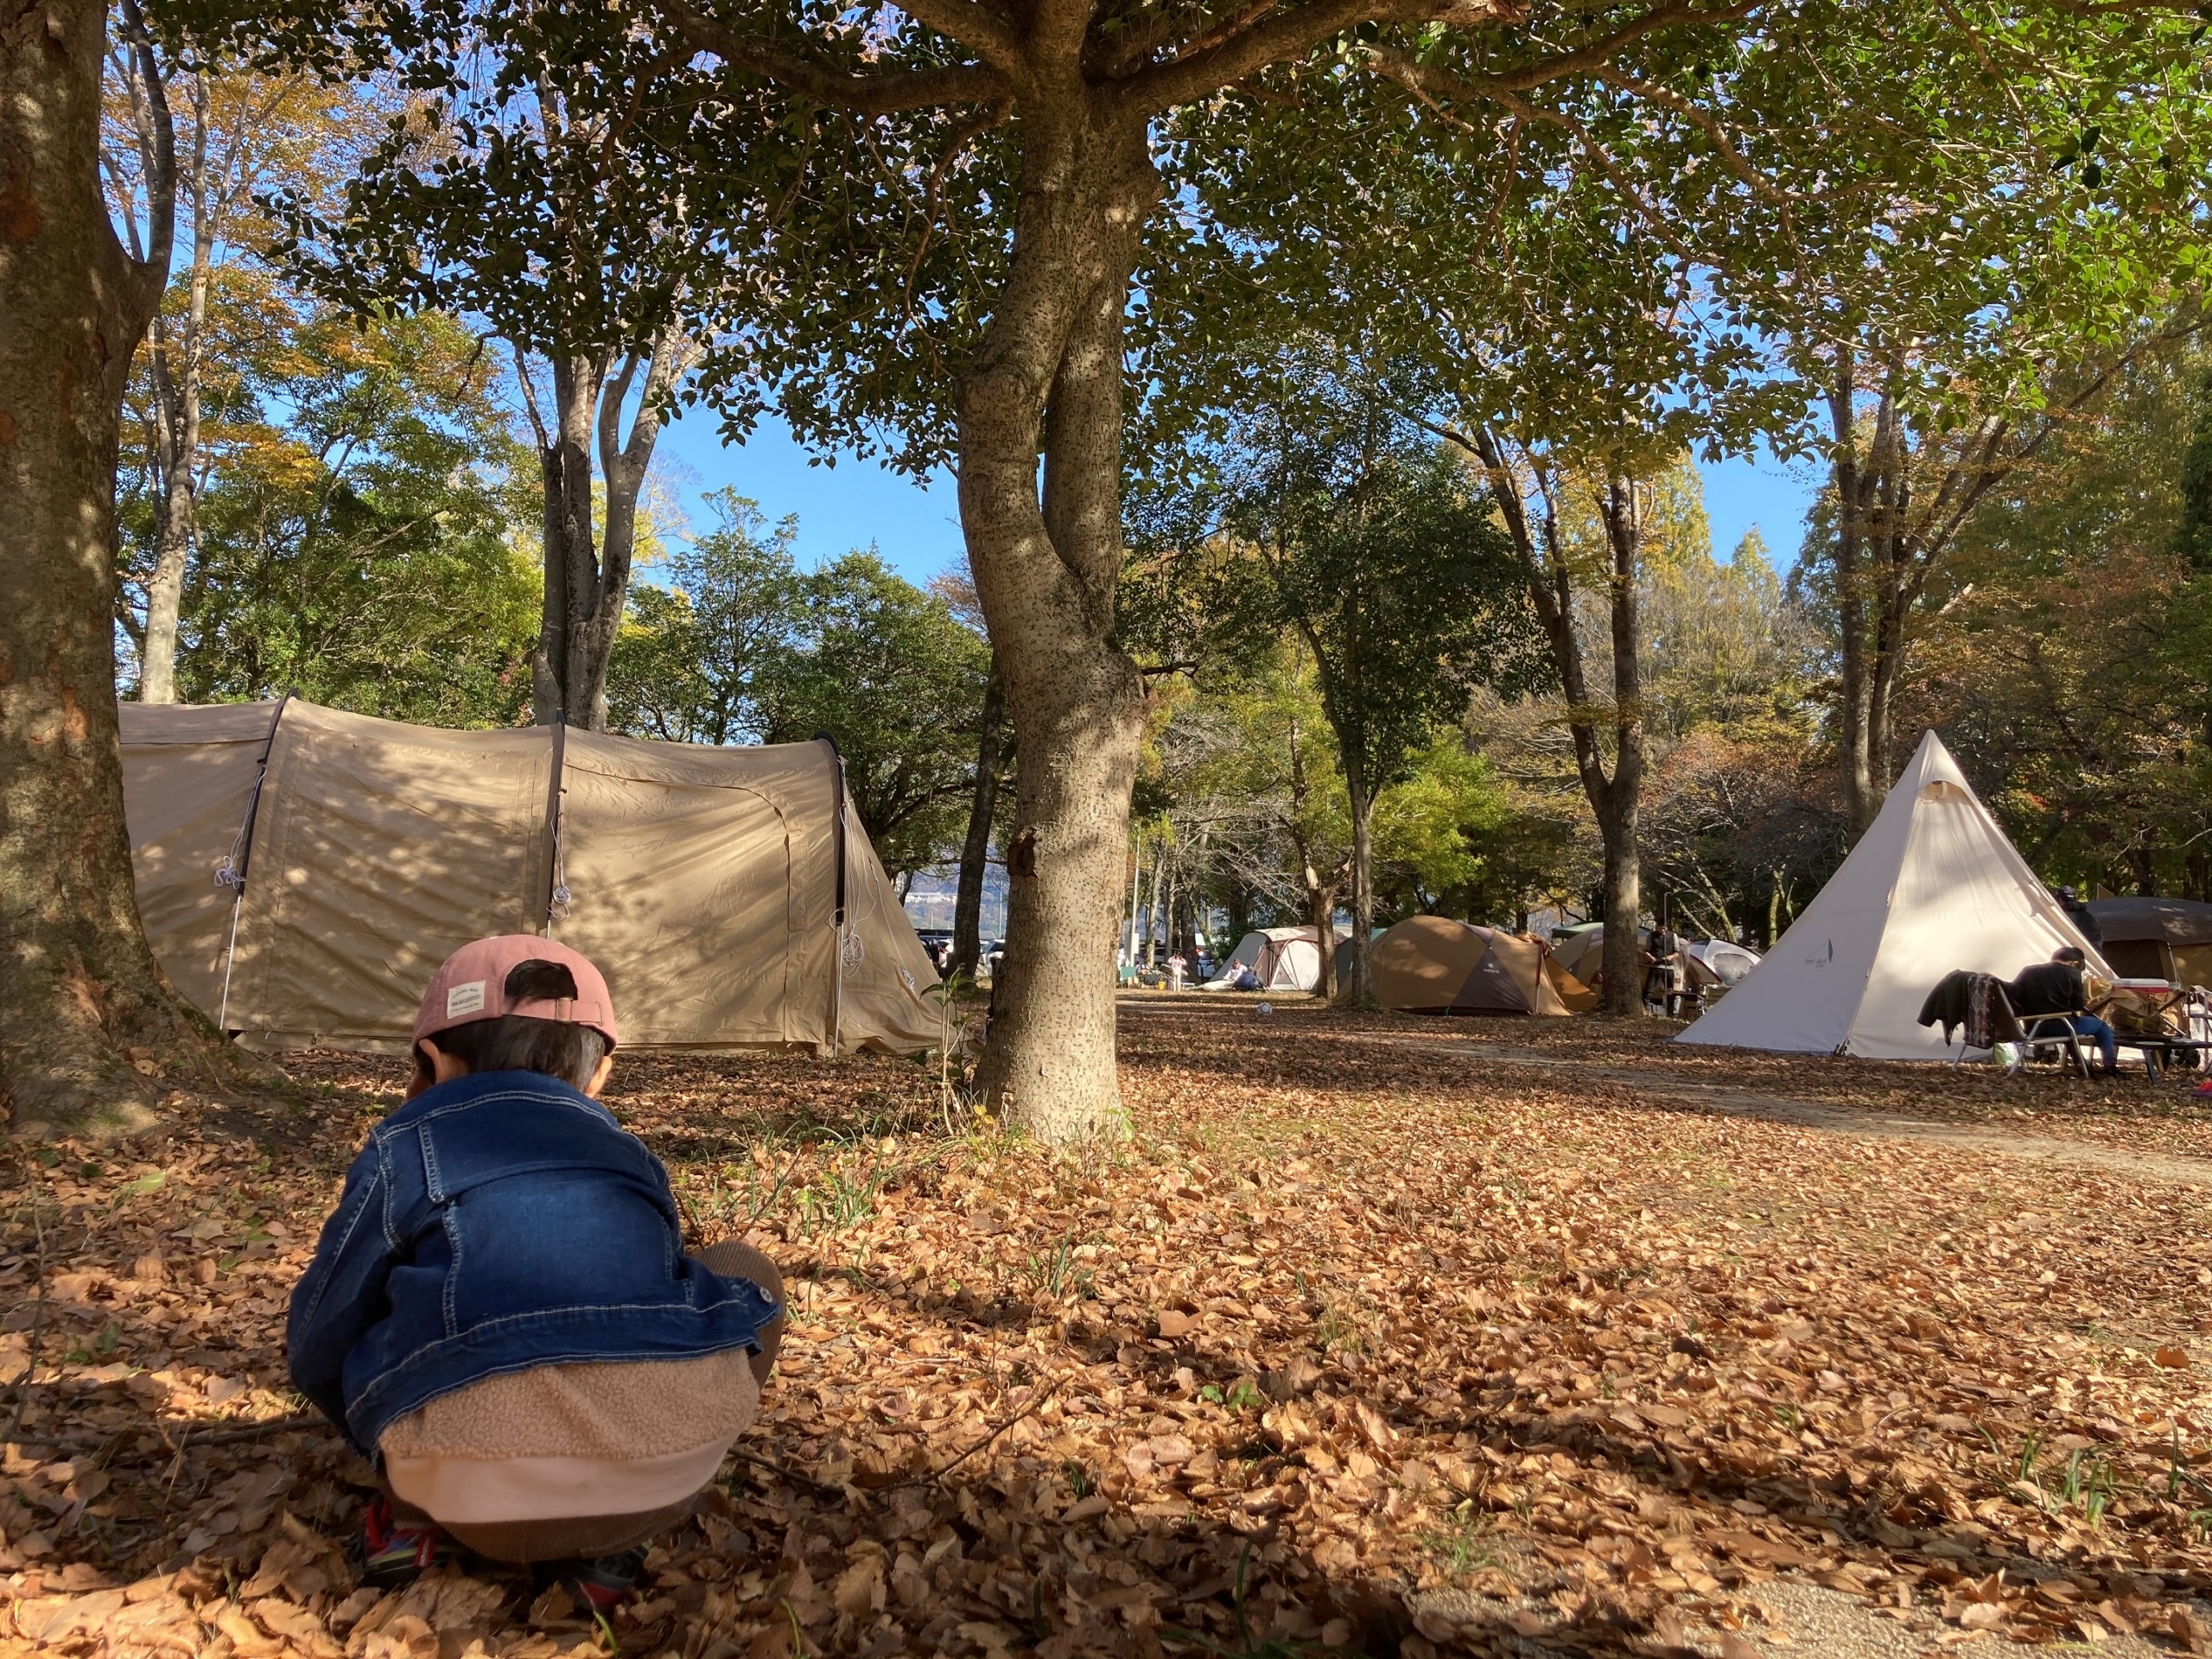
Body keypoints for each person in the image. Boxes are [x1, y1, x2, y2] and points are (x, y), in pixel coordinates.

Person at [287, 937, 785, 1608]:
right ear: (600, 1075)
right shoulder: (629, 1154)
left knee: (379, 1295)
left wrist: (373, 1440)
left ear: (430, 1062)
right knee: (745, 1269)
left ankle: (408, 1524)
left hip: (461, 1486)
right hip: (662, 1479)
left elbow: (321, 1330)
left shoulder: (408, 1144)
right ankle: (609, 1549)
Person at [2007, 944, 2118, 1073]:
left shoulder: (2027, 971)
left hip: (2032, 1029)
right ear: (2074, 963)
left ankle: (2080, 1063)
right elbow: (2077, 1005)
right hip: (2061, 1027)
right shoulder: (2072, 973)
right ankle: (2110, 1065)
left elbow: (2014, 997)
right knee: (2101, 1026)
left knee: (2067, 1024)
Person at [1644, 921, 1686, 1018]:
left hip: (1669, 967)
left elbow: (1677, 952)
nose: (1662, 931)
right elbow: (1646, 950)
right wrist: (1650, 957)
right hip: (1655, 966)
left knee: (1670, 991)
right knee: (1648, 990)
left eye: (1664, 928)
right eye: (1660, 928)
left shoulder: (1673, 936)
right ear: (1657, 927)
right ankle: (1646, 1010)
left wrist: (1670, 957)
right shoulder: (1651, 936)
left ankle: (1670, 1013)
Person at [2056, 885, 2105, 954]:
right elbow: (2097, 941)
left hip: (2068, 959)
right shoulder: (2090, 918)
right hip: (2091, 959)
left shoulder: (2059, 917)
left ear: (2060, 900)